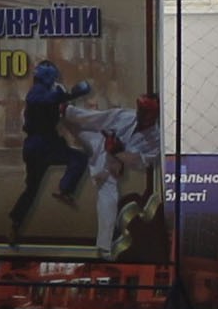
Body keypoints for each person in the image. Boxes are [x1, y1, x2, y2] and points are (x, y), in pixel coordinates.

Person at [63, 93, 161, 258]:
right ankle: (60, 111)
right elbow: (95, 119)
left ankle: (104, 249)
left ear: (154, 114)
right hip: (96, 144)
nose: (141, 113)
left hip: (112, 167)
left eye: (146, 111)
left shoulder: (156, 139)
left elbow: (139, 162)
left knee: (109, 200)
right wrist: (68, 111)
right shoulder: (125, 115)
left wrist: (117, 151)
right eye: (140, 109)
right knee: (71, 122)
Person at [7, 59, 91, 246]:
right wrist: (66, 95)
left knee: (31, 189)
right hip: (41, 145)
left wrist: (67, 96)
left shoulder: (49, 91)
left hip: (42, 145)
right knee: (78, 159)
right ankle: (65, 189)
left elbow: (55, 105)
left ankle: (15, 225)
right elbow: (42, 100)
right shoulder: (38, 92)